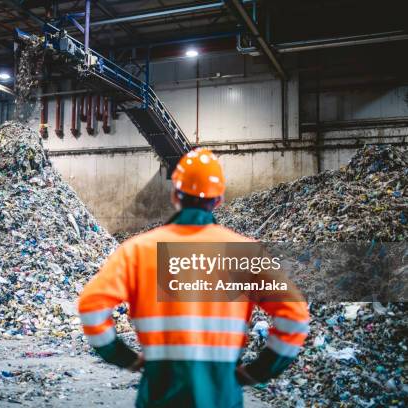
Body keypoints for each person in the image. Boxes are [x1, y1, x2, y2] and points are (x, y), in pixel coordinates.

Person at [78, 148, 310, 408]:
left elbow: (91, 306)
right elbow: (296, 316)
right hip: (221, 396)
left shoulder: (137, 250)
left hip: (159, 396)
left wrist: (123, 357)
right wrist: (259, 370)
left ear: (175, 194)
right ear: (219, 200)